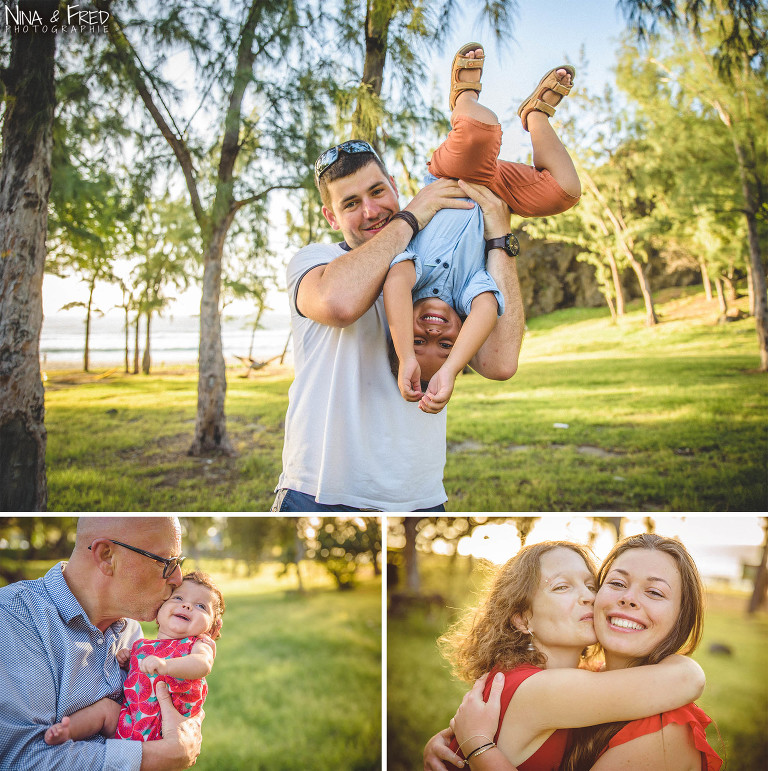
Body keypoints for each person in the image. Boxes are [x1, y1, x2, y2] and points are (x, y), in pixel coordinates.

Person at [272, 133, 525, 510]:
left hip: (420, 499)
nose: (371, 211)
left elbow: (501, 361)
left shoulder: (437, 266)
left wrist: (500, 238)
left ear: (394, 186)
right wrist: (410, 217)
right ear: (331, 217)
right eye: (351, 203)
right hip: (318, 493)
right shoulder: (315, 261)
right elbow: (338, 303)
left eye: (377, 191)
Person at [384, 44, 581, 411]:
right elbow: (488, 309)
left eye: (416, 342)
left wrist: (404, 357)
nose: (432, 333)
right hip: (496, 187)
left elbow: (394, 286)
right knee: (565, 192)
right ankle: (536, 115)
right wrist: (453, 367)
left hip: (454, 173)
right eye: (445, 345)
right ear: (461, 335)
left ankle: (463, 96)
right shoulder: (468, 294)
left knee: (481, 129)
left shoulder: (411, 276)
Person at [422, 538, 710, 771]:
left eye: (590, 585)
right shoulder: (543, 689)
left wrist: (475, 747)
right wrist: (475, 747)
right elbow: (687, 678)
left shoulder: (579, 681)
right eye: (617, 584)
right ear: (522, 619)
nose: (588, 597)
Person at [0, 517, 205, 771]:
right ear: (106, 556)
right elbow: (19, 758)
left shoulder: (132, 632)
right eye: (166, 563)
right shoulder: (13, 618)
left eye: (179, 564)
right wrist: (154, 757)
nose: (177, 578)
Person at [45, 570, 224, 747]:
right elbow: (140, 675)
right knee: (105, 709)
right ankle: (67, 731)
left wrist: (166, 665)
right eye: (178, 598)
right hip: (128, 720)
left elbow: (203, 664)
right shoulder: (141, 646)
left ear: (211, 628)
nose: (187, 606)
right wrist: (128, 663)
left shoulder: (197, 644)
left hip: (163, 733)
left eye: (201, 606)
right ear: (159, 609)